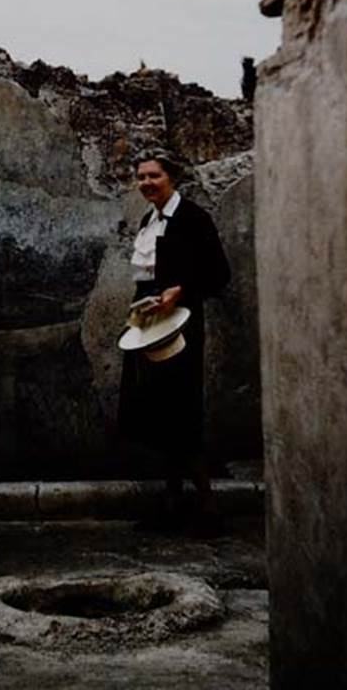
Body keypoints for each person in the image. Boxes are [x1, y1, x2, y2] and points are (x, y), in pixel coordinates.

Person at [117, 149, 230, 533]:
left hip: (181, 327)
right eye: (141, 177)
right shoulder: (149, 220)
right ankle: (172, 503)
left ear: (172, 178)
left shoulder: (193, 219)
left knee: (183, 413)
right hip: (152, 328)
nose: (146, 183)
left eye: (154, 176)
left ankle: (208, 508)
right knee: (159, 414)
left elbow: (219, 274)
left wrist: (180, 291)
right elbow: (148, 277)